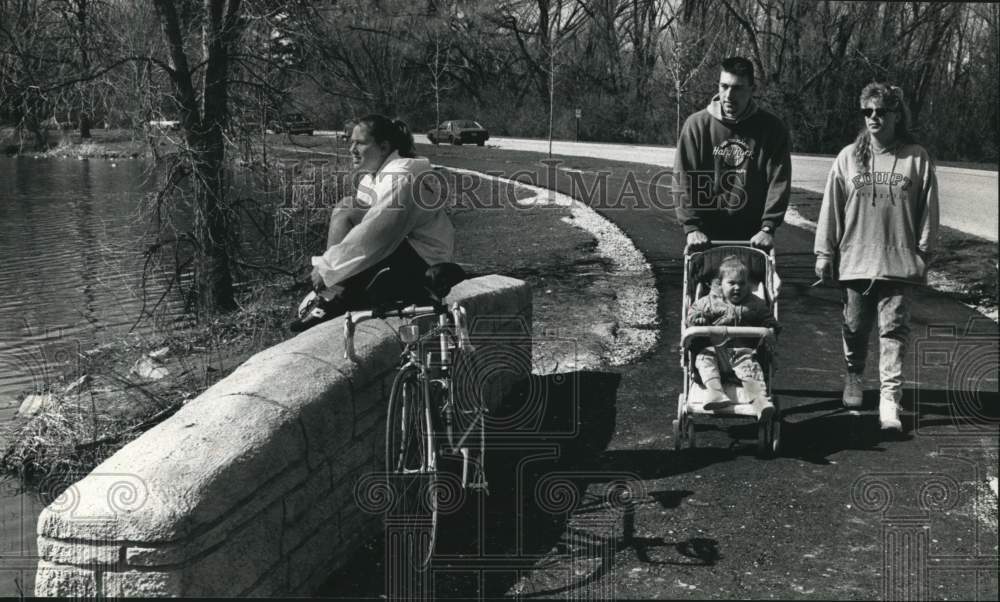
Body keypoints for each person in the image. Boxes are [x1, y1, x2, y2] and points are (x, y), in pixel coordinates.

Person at [814, 82, 939, 433]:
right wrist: (824, 253)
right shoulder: (848, 157)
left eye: (880, 111)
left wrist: (925, 251)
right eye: (867, 112)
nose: (873, 118)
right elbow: (831, 209)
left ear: (896, 115)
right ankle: (854, 375)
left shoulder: (917, 157)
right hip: (855, 259)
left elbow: (929, 208)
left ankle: (889, 400)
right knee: (854, 328)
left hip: (899, 261)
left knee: (894, 332)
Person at [289, 114, 455, 333]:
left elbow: (376, 233)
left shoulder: (400, 177)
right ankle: (334, 295)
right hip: (407, 251)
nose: (352, 149)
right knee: (348, 208)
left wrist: (328, 269)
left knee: (346, 209)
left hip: (425, 260)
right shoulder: (375, 177)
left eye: (360, 143)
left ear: (384, 147)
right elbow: (363, 231)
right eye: (351, 142)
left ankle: (332, 296)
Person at [674, 56, 792, 251]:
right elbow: (683, 178)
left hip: (753, 234)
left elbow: (779, 181)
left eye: (737, 88)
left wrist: (768, 227)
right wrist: (691, 226)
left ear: (752, 90)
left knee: (748, 282)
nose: (728, 95)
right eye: (724, 86)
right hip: (705, 233)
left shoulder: (771, 129)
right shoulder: (696, 125)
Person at [688, 255, 780, 413]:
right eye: (731, 283)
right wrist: (698, 319)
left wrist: (770, 328)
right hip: (715, 349)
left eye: (742, 283)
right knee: (704, 359)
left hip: (743, 351)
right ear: (720, 284)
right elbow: (692, 313)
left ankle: (760, 402)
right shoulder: (709, 302)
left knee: (751, 370)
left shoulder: (755, 304)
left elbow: (769, 319)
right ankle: (715, 393)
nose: (737, 288)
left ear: (749, 285)